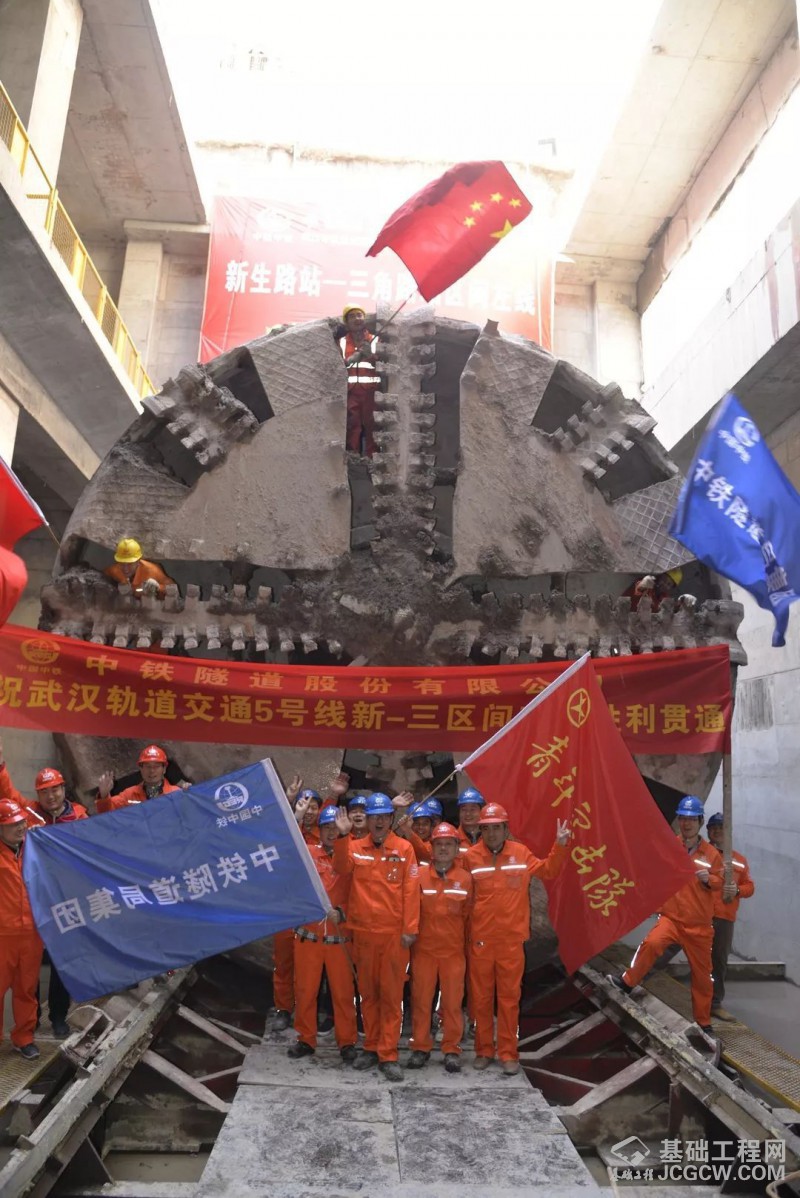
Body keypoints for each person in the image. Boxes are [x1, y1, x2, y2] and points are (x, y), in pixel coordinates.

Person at [466, 802, 570, 1075]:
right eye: (486, 829)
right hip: (481, 941)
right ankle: (483, 1050)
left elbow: (548, 871)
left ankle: (508, 1053)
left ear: (505, 829)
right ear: (481, 830)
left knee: (509, 999)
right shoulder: (471, 857)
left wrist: (560, 845)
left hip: (511, 942)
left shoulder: (520, 853)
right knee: (481, 999)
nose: (491, 833)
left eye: (496, 828)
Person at [608, 795, 722, 1035]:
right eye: (683, 818)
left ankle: (703, 1022)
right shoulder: (670, 846)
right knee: (651, 944)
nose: (687, 823)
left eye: (692, 819)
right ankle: (627, 982)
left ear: (700, 821)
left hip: (699, 926)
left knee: (703, 977)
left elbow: (721, 881)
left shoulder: (711, 854)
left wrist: (709, 880)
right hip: (672, 918)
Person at [0, 747, 87, 1038]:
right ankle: (32, 1020)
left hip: (65, 900)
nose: (50, 796)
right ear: (38, 794)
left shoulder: (80, 816)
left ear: (63, 789)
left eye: (55, 789)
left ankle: (59, 1016)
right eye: (44, 791)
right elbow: (8, 795)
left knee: (63, 961)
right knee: (30, 967)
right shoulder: (30, 815)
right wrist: (1, 765)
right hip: (34, 903)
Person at [333, 793, 420, 1082]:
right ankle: (370, 1046)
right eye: (374, 817)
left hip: (393, 936)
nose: (379, 821)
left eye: (384, 816)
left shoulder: (404, 849)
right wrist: (342, 837)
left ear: (391, 819)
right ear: (367, 821)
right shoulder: (355, 847)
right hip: (363, 934)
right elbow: (340, 868)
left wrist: (409, 929)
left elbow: (411, 891)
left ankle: (388, 1054)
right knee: (368, 994)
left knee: (391, 996)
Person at [288, 805, 358, 1063]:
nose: (331, 832)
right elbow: (288, 848)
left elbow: (359, 890)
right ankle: (305, 1038)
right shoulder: (308, 853)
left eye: (335, 828)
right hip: (309, 938)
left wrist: (344, 912)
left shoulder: (352, 857)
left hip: (340, 939)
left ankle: (347, 1041)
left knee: (343, 993)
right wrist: (297, 815)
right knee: (305, 991)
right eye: (327, 827)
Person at [407, 822, 472, 1074]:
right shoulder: (419, 876)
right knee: (421, 1000)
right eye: (439, 844)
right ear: (431, 848)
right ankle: (420, 1047)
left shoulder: (465, 879)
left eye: (448, 844)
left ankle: (451, 1049)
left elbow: (468, 915)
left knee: (453, 1003)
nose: (443, 849)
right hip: (424, 952)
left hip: (453, 953)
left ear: (456, 849)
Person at [0, 799, 44, 1059]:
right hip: (3, 936)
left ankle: (24, 1037)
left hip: (31, 934)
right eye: (12, 824)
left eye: (21, 822)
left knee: (26, 988)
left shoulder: (35, 848)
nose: (19, 827)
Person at [706, 811, 755, 1018]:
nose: (717, 831)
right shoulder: (702, 854)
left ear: (729, 832)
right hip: (698, 913)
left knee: (718, 960)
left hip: (724, 918)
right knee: (668, 945)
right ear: (708, 831)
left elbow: (750, 887)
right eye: (714, 828)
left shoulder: (739, 861)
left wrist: (737, 890)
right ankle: (636, 980)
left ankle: (714, 1003)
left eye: (721, 828)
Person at [339, 305, 379, 457]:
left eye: (359, 315)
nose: (357, 319)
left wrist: (371, 356)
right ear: (346, 323)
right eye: (352, 316)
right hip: (350, 392)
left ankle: (372, 459)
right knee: (352, 426)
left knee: (373, 425)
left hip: (371, 391)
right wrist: (349, 360)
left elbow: (386, 364)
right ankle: (352, 458)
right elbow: (336, 366)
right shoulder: (342, 342)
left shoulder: (375, 340)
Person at [96, 744, 182, 813]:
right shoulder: (129, 795)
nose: (152, 771)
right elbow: (107, 815)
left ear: (164, 769)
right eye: (147, 766)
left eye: (156, 766)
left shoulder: (177, 794)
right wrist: (104, 796)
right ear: (141, 769)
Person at [103, 538, 176, 598]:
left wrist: (158, 587)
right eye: (122, 563)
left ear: (138, 561)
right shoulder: (115, 570)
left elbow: (173, 589)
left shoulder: (152, 570)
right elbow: (101, 578)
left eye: (130, 564)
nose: (125, 568)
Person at [456, 787, 485, 856]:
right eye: (464, 809)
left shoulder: (490, 837)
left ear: (481, 811)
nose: (468, 814)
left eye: (472, 809)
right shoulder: (452, 839)